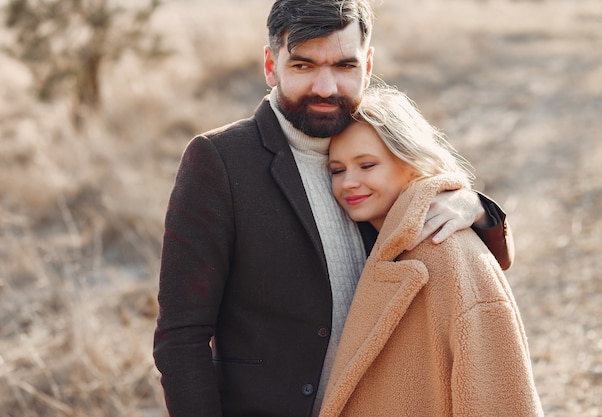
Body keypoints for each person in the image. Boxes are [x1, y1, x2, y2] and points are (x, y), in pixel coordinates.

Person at [153, 1, 514, 416]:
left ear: (367, 64)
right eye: (304, 66)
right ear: (271, 65)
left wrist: (472, 205)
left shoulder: (377, 143)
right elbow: (182, 334)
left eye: (344, 66)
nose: (326, 88)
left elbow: (488, 263)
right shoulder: (218, 159)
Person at [319, 85, 542, 416]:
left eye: (367, 165)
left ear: (411, 162)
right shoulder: (370, 239)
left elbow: (498, 391)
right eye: (337, 170)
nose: (348, 182)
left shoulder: (444, 249)